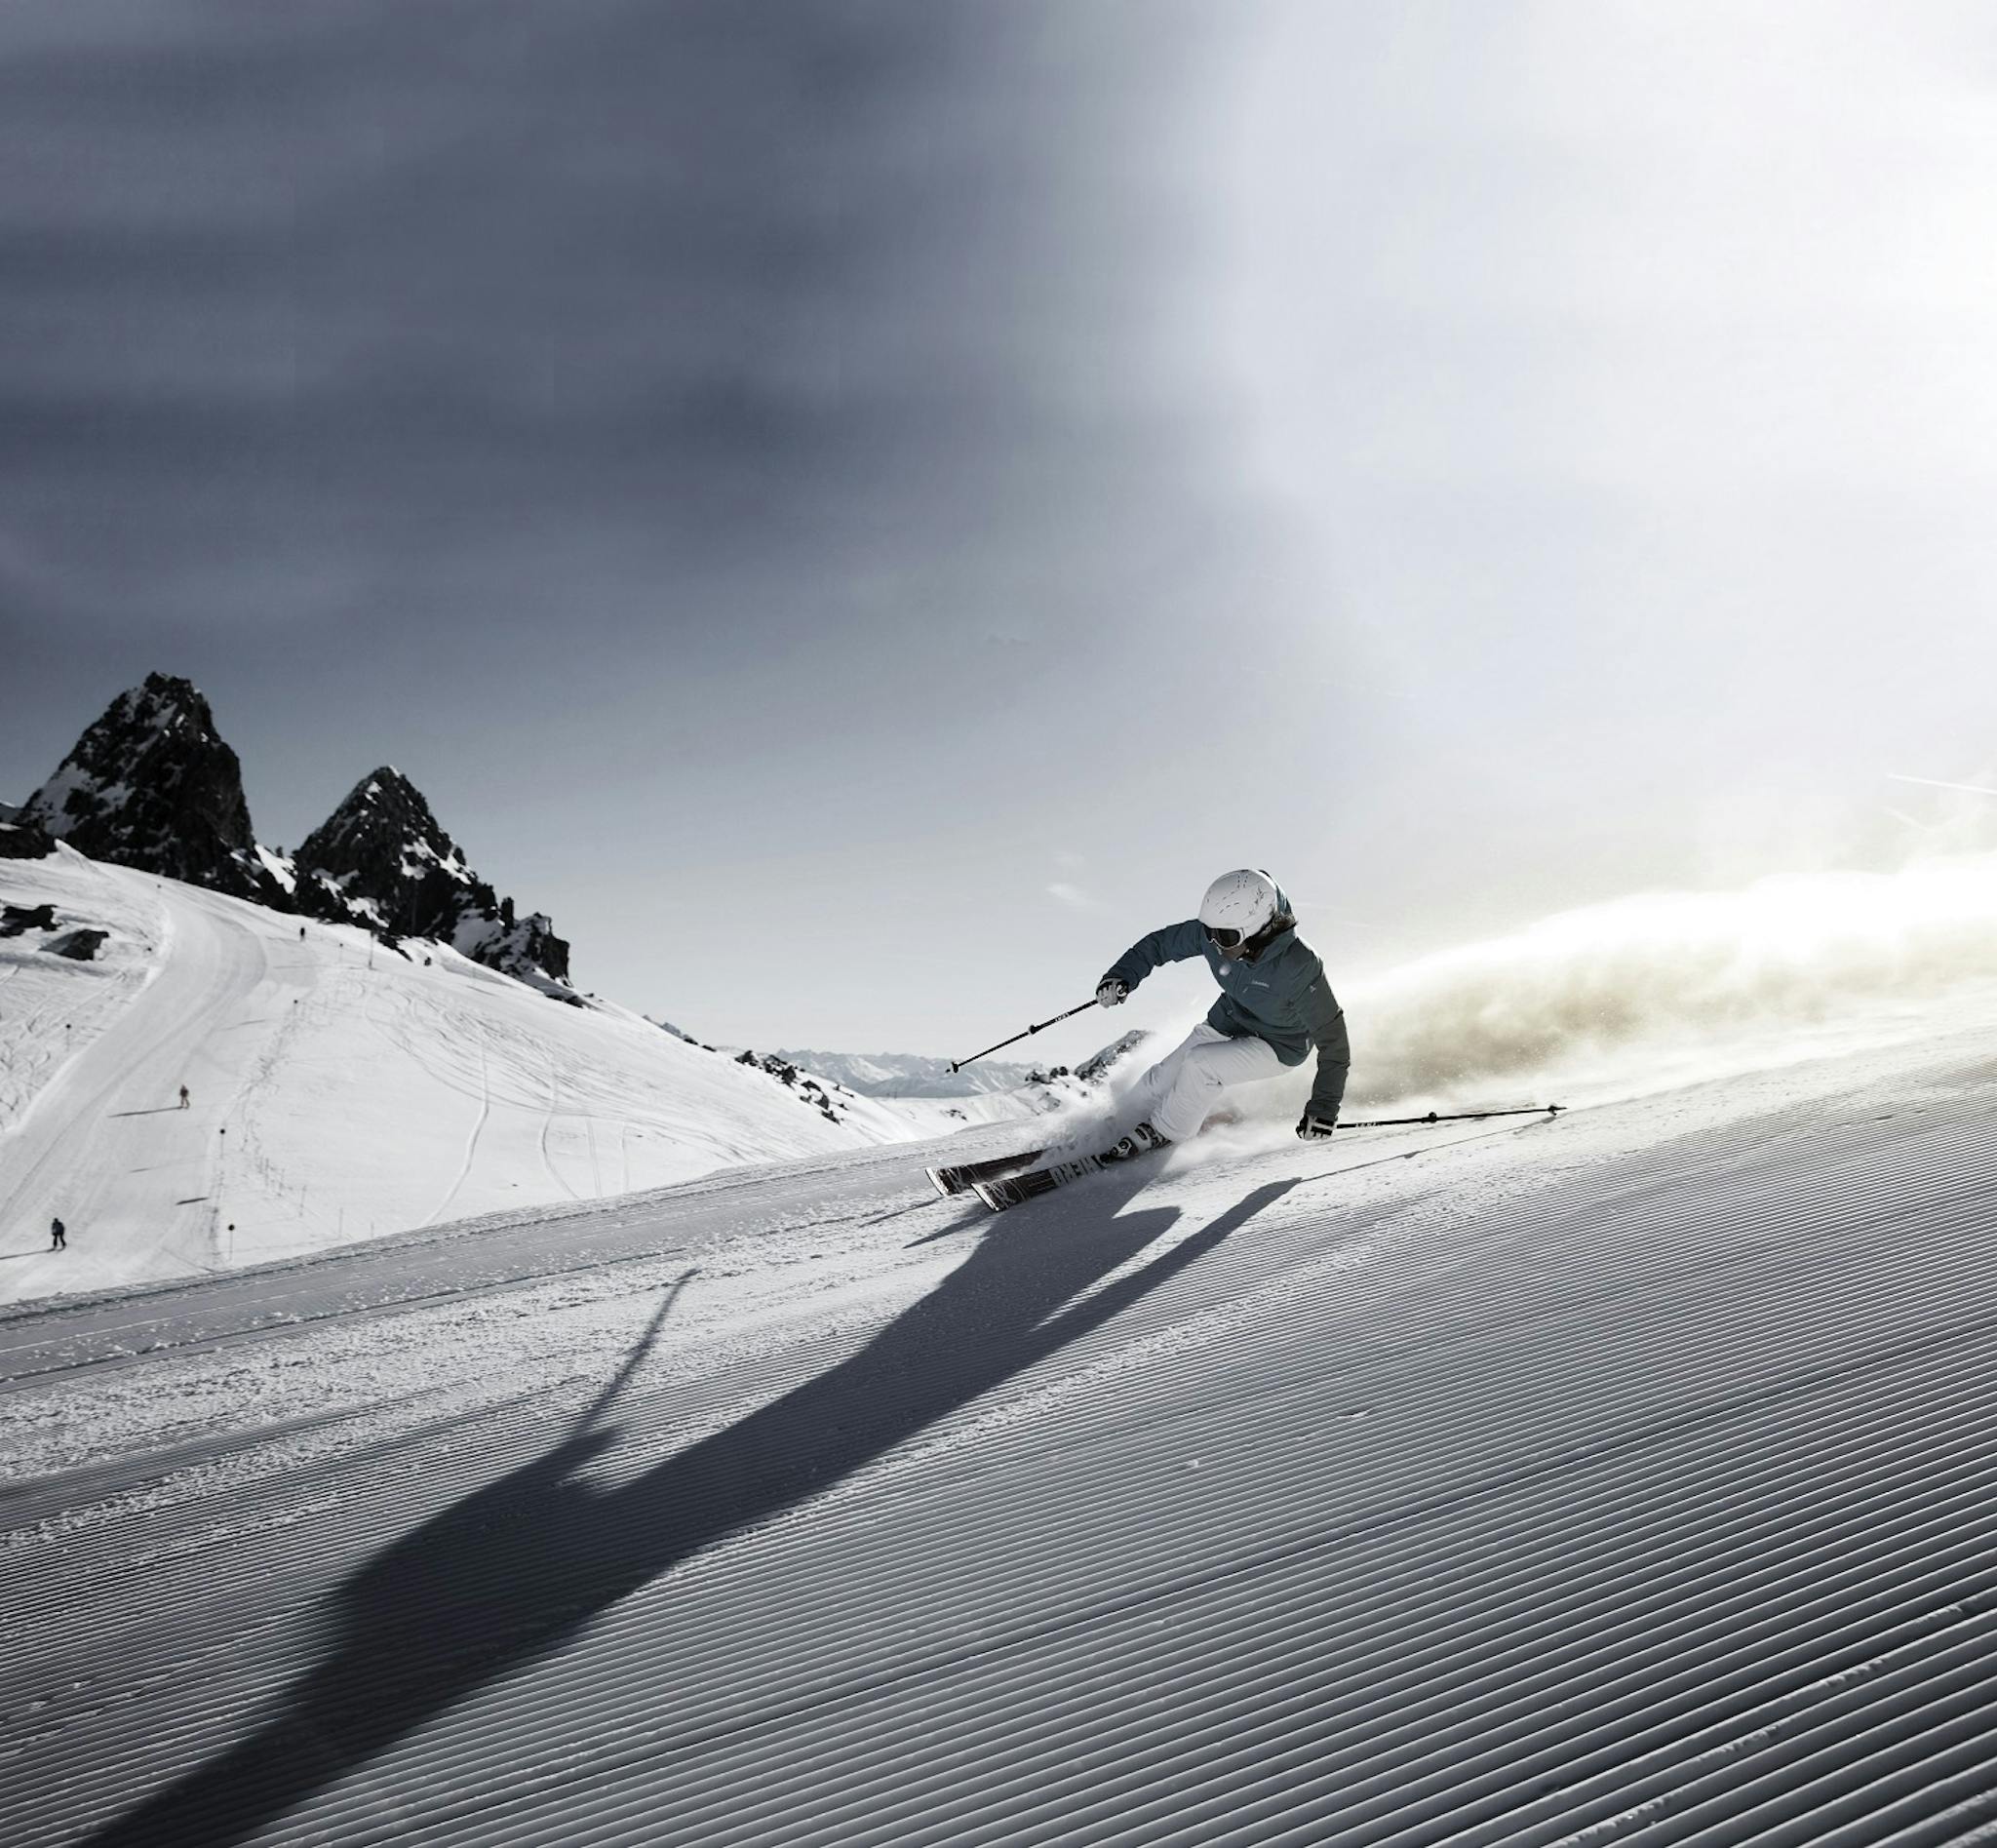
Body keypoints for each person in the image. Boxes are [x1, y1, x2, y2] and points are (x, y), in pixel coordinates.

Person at [1092, 868, 1348, 1161]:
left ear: (1260, 928)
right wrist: (1121, 976)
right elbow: (1160, 944)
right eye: (1210, 931)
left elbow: (1334, 1042)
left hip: (1280, 1044)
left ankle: (1165, 1131)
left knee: (1200, 1065)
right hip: (1231, 1019)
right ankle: (1121, 1121)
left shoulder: (1299, 965)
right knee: (1158, 1080)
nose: (1213, 942)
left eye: (1224, 936)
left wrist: (1324, 1110)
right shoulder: (1216, 934)